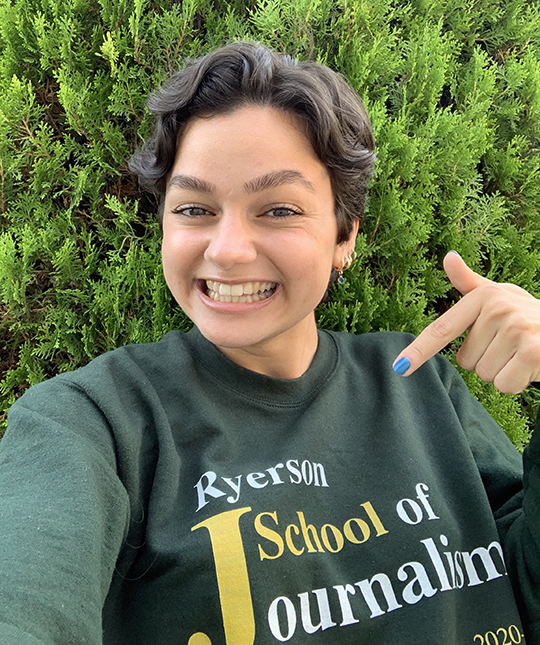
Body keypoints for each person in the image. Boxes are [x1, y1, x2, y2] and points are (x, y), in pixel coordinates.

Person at [1, 41, 540, 645]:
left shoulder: (420, 380)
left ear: (344, 237)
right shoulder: (91, 426)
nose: (227, 249)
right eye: (195, 208)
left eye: (279, 209)